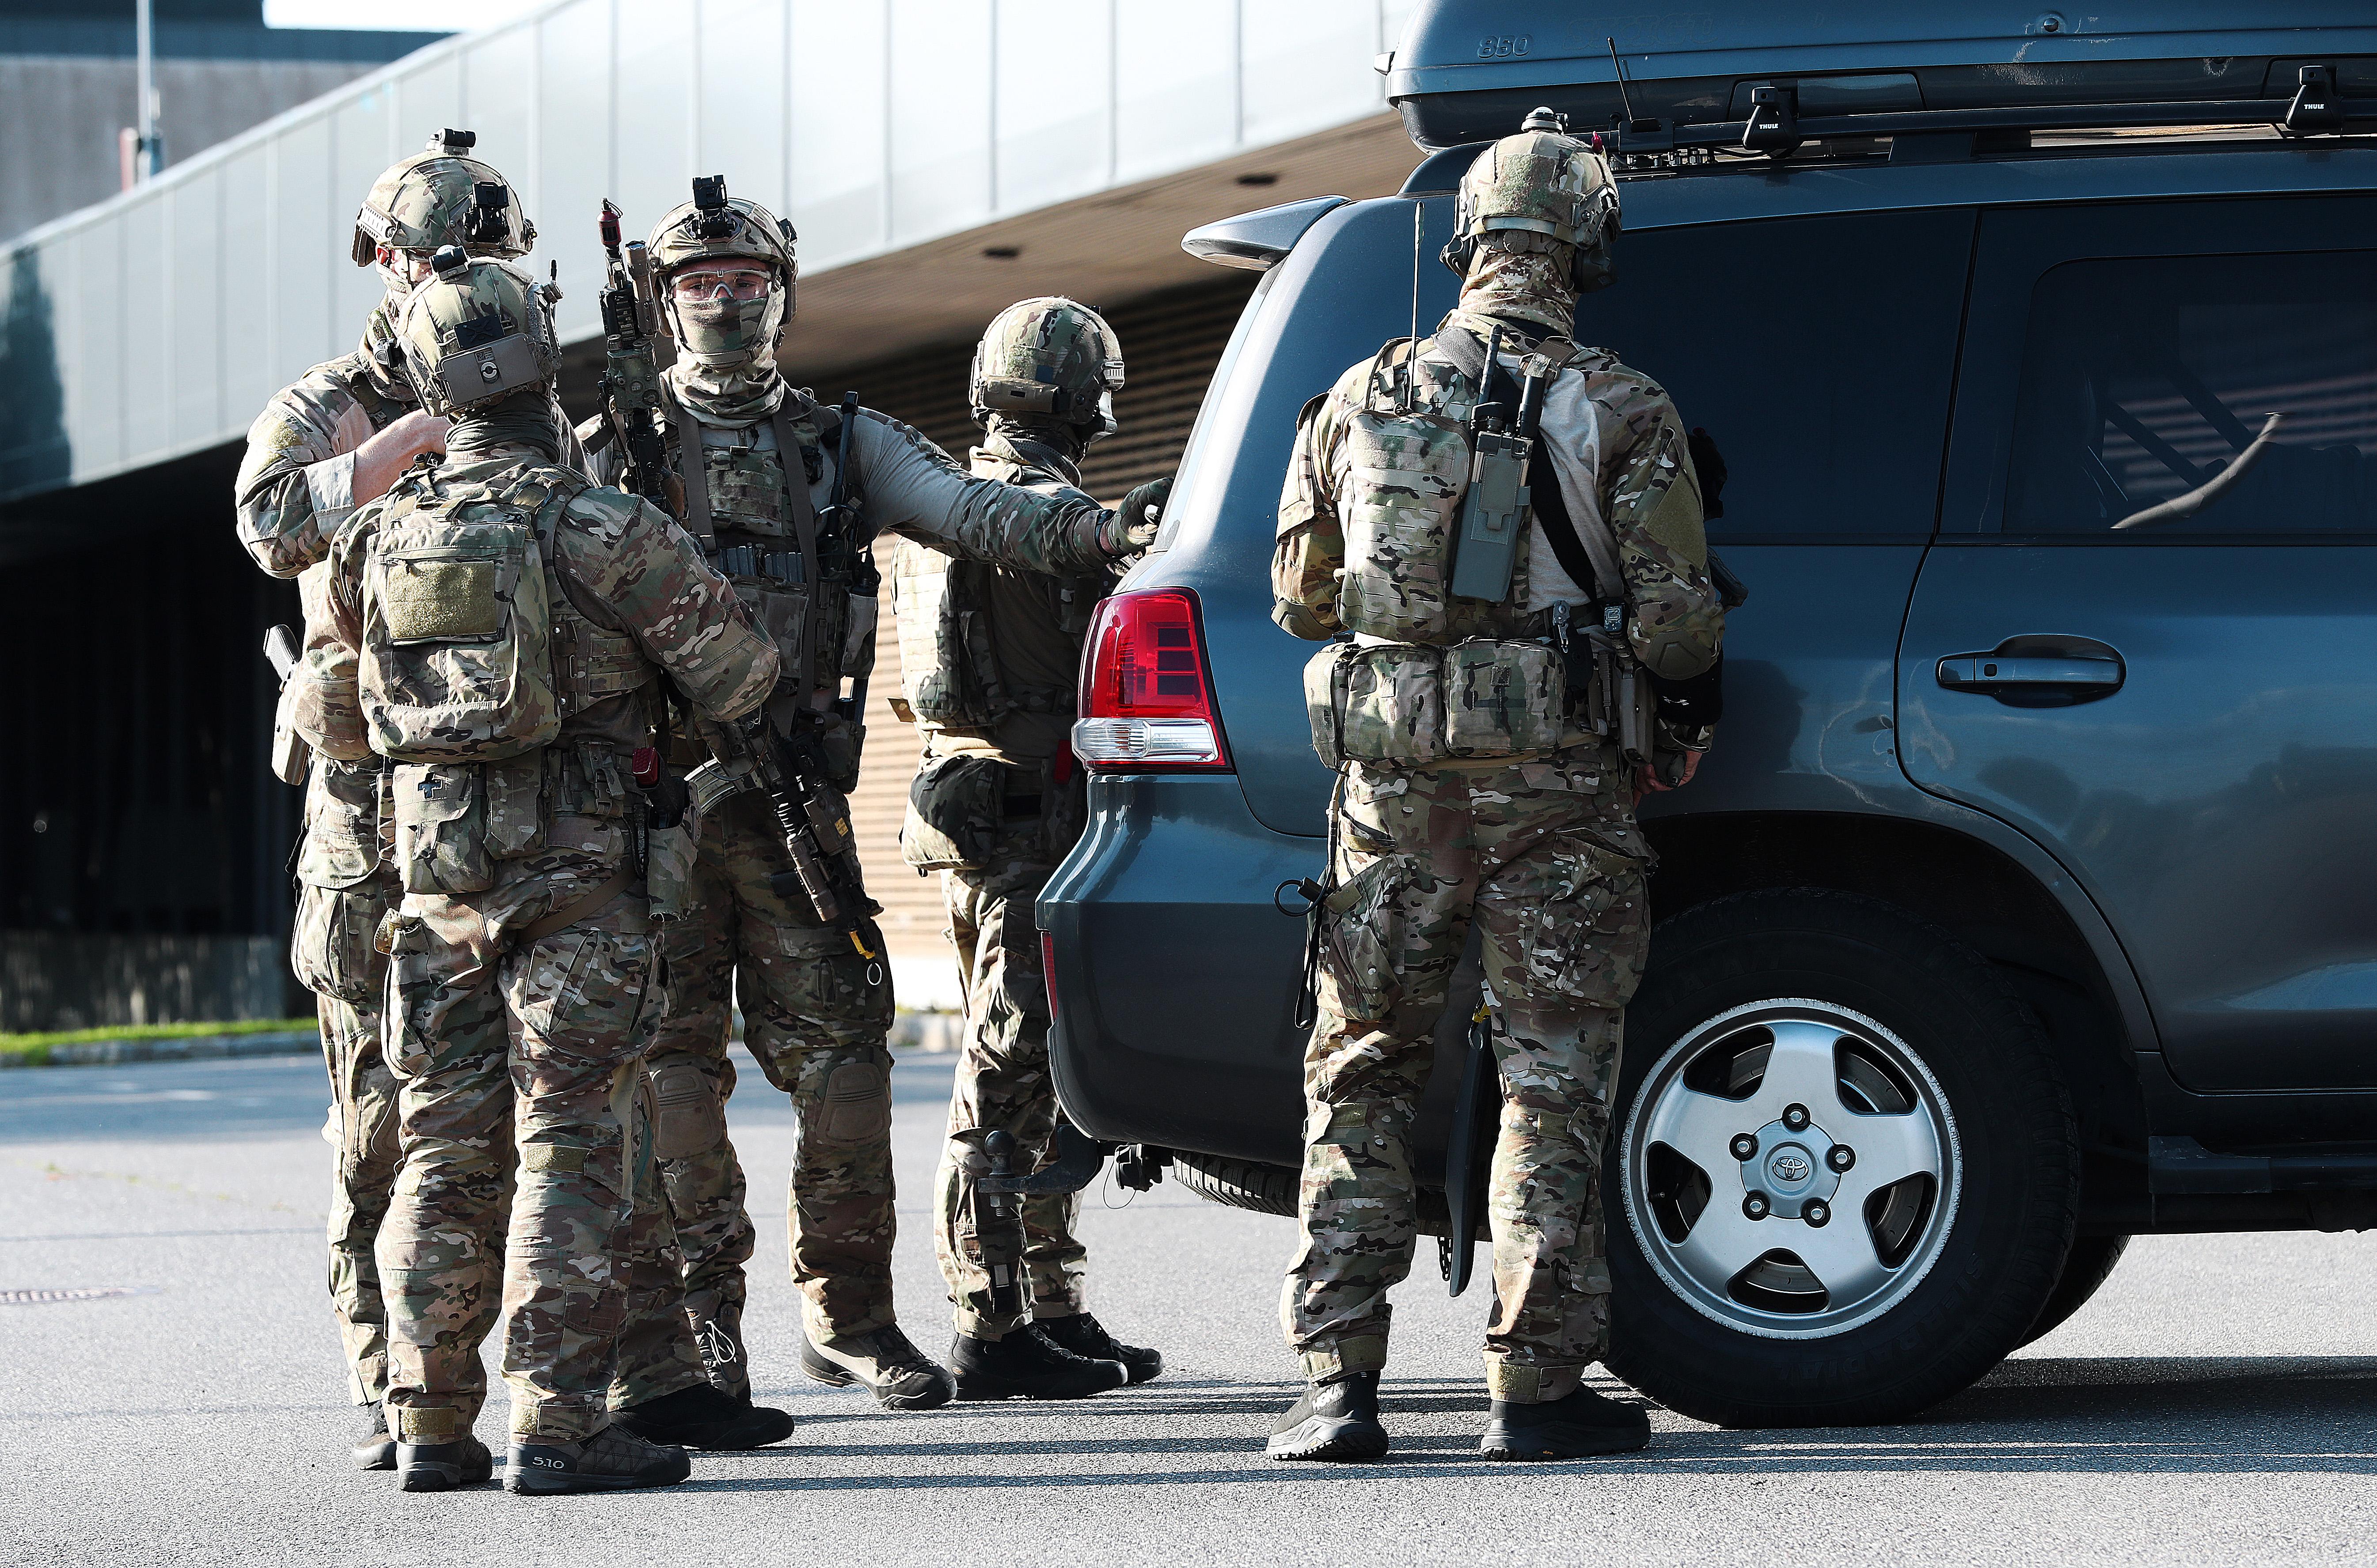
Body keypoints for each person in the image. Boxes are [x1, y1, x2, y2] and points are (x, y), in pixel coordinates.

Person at [590, 184, 1167, 1413]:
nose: (726, 304)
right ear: (662, 301)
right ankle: (699, 1336)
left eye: (748, 283)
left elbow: (974, 512)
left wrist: (1099, 532)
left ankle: (847, 1316)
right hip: (660, 817)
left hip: (790, 801)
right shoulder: (614, 449)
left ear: (783, 294)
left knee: (847, 1062)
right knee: (673, 1071)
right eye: (700, 285)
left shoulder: (840, 440)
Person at [1265, 109, 1726, 1462]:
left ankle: (1331, 1387)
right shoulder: (1625, 403)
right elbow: (1679, 626)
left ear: (1467, 240)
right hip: (1560, 791)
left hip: (1388, 790)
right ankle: (1533, 1384)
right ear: (1584, 243)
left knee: (1357, 1067)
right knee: (1553, 1070)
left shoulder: (1354, 394)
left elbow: (1299, 600)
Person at [295, 246, 784, 1494]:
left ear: (435, 387)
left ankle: (429, 1424)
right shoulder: (605, 528)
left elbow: (334, 722)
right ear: (540, 375)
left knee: (441, 1153)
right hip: (582, 894)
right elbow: (740, 679)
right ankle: (558, 1426)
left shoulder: (371, 537)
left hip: (432, 895)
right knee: (571, 1143)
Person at [232, 127, 529, 1471]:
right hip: (368, 810)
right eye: (432, 253)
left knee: (535, 1101)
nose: (447, 275)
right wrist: (396, 446)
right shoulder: (334, 397)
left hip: (509, 807)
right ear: (386, 258)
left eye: (477, 256)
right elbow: (265, 523)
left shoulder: (526, 391)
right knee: (379, 1112)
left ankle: (527, 1362)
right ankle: (385, 1372)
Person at [894, 297, 1162, 1399]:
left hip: (969, 812)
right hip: (1028, 820)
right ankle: (989, 1322)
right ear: (1079, 398)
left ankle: (1050, 1299)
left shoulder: (940, 511)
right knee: (1008, 1072)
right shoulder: (1051, 519)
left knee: (1030, 1068)